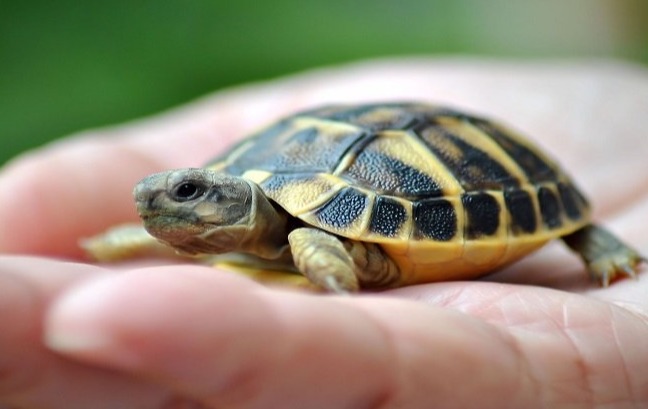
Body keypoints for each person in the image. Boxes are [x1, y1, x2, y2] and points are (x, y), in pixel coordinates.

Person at [0, 59, 647, 409]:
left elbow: (314, 237)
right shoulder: (233, 225)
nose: (159, 204)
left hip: (442, 164)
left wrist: (331, 278)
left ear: (237, 200)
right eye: (158, 203)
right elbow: (166, 232)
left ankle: (594, 241)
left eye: (189, 193)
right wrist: (123, 240)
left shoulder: (311, 237)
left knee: (312, 243)